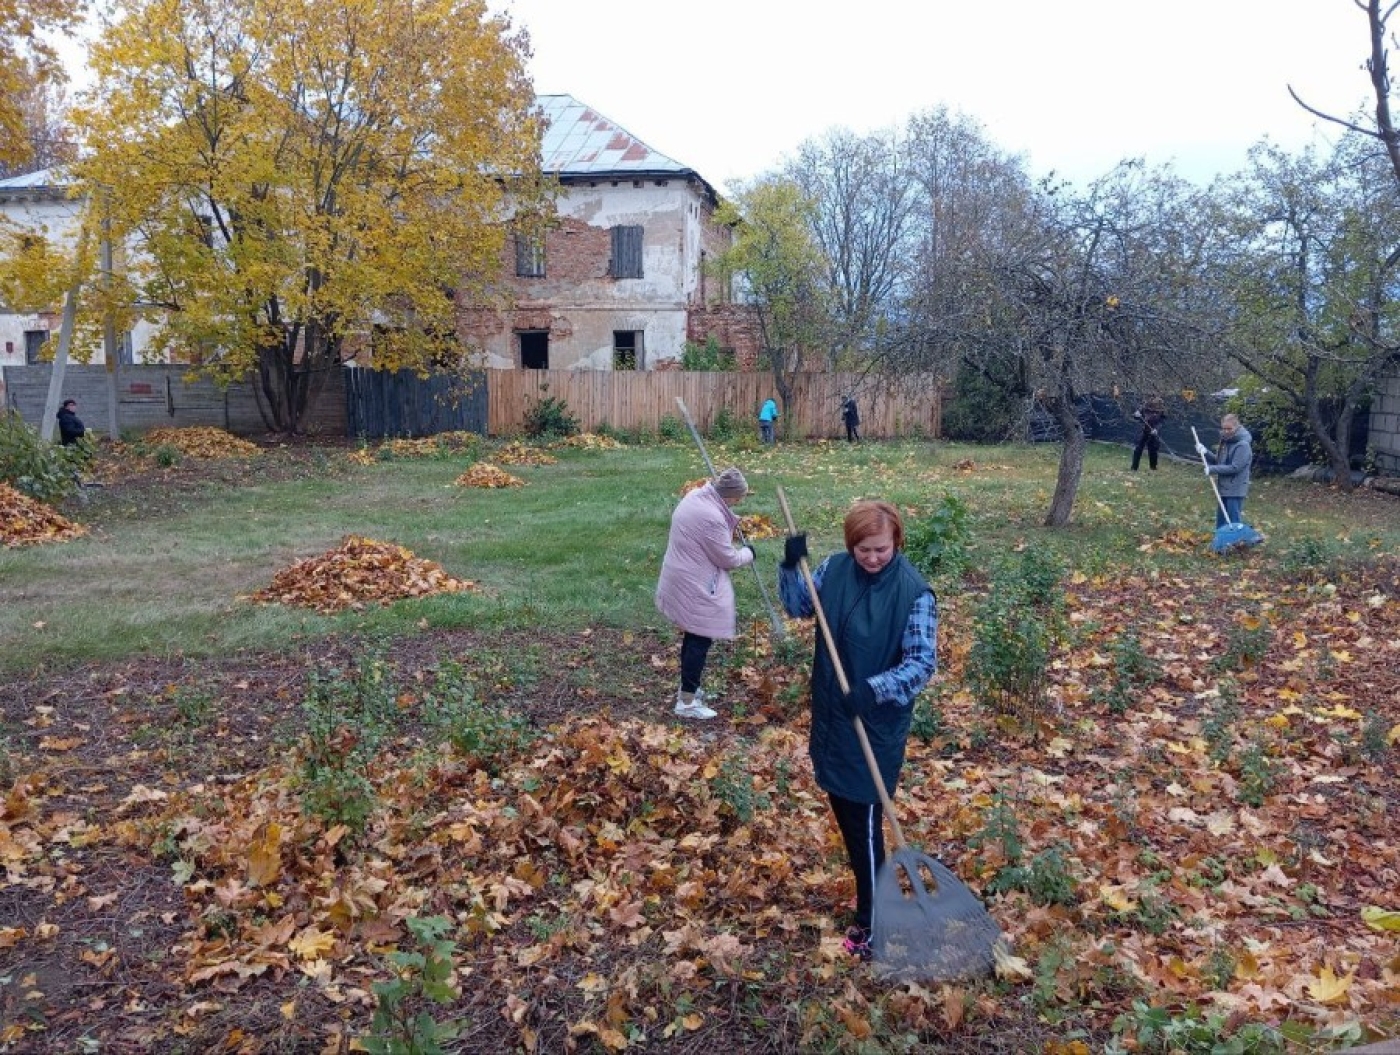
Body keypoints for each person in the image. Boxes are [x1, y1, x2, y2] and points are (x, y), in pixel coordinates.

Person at [777, 501, 937, 962]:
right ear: (851, 545)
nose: (872, 558)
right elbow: (798, 606)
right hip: (834, 718)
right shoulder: (835, 568)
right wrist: (791, 566)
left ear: (897, 543)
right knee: (849, 818)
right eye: (864, 549)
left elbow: (922, 663)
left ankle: (876, 922)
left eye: (881, 549)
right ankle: (877, 905)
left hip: (874, 725)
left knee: (864, 824)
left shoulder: (914, 594)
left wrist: (873, 690)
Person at [655, 467, 756, 720]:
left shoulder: (696, 497)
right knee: (700, 639)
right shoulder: (711, 516)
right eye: (738, 498)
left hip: (682, 574)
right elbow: (728, 559)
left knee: (694, 636)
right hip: (694, 583)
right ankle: (687, 702)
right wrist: (749, 552)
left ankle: (689, 690)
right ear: (731, 496)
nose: (739, 502)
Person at [1195, 413, 1253, 526]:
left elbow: (1235, 467)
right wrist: (1205, 452)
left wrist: (1212, 469)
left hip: (1235, 488)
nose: (1226, 431)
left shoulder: (1243, 445)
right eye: (1224, 429)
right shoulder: (1226, 441)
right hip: (1224, 487)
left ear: (1236, 427)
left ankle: (1237, 541)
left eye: (1229, 429)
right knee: (1221, 519)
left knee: (1233, 519)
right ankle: (1221, 539)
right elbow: (1219, 462)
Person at [1130, 396, 1166, 470]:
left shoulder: (1161, 410)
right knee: (1138, 449)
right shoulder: (1144, 407)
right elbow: (1136, 416)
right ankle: (1134, 468)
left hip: (1154, 432)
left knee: (1153, 449)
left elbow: (1162, 421)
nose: (1156, 408)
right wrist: (1136, 415)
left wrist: (1156, 429)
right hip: (1143, 430)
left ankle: (1153, 467)